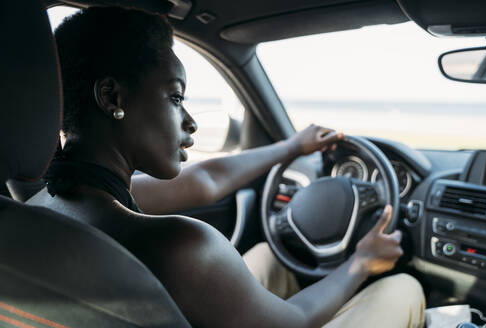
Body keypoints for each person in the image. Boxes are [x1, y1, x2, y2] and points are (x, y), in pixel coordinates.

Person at [29, 7, 425, 328]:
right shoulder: (180, 247)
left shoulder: (38, 205)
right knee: (402, 288)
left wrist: (290, 147)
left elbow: (206, 179)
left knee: (269, 259)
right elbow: (296, 321)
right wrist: (361, 261)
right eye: (175, 96)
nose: (190, 122)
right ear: (112, 96)